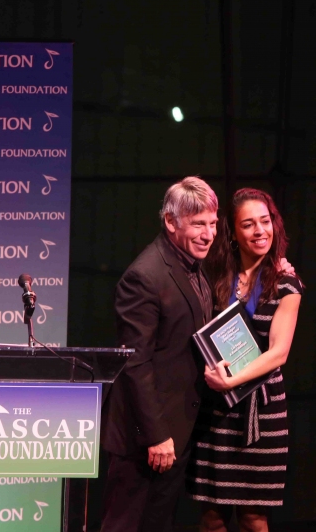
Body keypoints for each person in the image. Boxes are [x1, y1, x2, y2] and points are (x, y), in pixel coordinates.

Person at [101, 176, 219, 532]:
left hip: (177, 431)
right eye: (199, 224)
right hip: (147, 439)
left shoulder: (194, 266)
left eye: (213, 224)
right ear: (171, 222)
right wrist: (155, 435)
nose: (208, 234)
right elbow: (135, 362)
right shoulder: (145, 276)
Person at [186, 188, 303, 532]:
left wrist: (231, 382)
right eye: (248, 224)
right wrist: (220, 383)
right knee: (212, 517)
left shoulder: (286, 282)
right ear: (233, 232)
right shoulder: (215, 278)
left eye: (265, 222)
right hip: (217, 411)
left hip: (262, 415)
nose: (259, 231)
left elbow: (279, 353)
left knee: (253, 517)